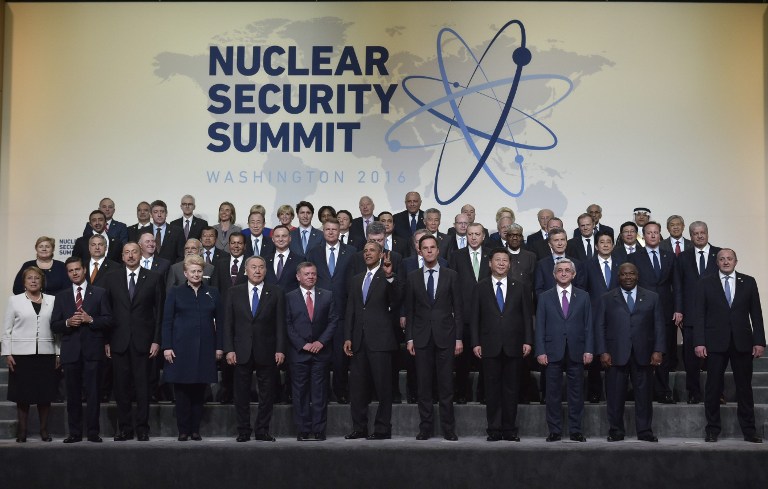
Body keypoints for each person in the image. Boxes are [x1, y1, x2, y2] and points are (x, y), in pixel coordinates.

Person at [694, 248, 765, 443]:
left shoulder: (748, 282)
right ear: (717, 262)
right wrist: (699, 341)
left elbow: (756, 314)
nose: (726, 262)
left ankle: (749, 431)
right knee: (713, 387)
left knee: (744, 388)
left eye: (729, 259)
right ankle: (712, 430)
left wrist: (759, 341)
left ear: (736, 261)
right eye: (722, 259)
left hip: (742, 342)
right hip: (715, 343)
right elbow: (699, 314)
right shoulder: (705, 283)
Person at [595, 263, 664, 442]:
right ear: (618, 276)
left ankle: (645, 431)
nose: (628, 277)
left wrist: (658, 350)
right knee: (615, 396)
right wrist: (602, 351)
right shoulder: (607, 298)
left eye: (631, 274)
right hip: (615, 354)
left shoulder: (652, 297)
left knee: (644, 396)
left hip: (644, 354)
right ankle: (616, 430)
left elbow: (659, 327)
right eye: (624, 274)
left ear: (637, 275)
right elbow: (600, 326)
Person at [102, 242, 164, 441]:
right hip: (118, 341)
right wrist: (107, 341)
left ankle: (142, 428)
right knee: (121, 388)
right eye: (126, 252)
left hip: (144, 342)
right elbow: (106, 312)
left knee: (143, 387)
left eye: (134, 252)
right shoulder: (110, 278)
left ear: (141, 254)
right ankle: (125, 428)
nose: (130, 256)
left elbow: (159, 313)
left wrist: (156, 340)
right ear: (121, 256)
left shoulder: (154, 277)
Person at [405, 234, 463, 441]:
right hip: (421, 338)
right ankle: (425, 428)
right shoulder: (412, 277)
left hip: (446, 337)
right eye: (425, 248)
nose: (429, 251)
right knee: (424, 385)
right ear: (419, 251)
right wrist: (409, 338)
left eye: (432, 247)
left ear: (438, 250)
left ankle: (449, 428)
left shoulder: (451, 275)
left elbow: (459, 309)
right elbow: (410, 311)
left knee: (446, 385)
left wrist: (458, 339)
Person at [471, 248, 533, 441]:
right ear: (490, 263)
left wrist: (528, 341)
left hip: (514, 345)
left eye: (505, 260)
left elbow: (526, 316)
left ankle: (509, 429)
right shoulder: (480, 287)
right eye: (497, 260)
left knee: (511, 389)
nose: (501, 263)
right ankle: (494, 429)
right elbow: (474, 318)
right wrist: (475, 342)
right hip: (489, 345)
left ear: (510, 264)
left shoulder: (520, 286)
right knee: (492, 390)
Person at [223, 255, 286, 442]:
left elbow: (280, 324)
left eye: (261, 267)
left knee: (267, 394)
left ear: (266, 271)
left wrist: (280, 349)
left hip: (267, 350)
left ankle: (262, 430)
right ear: (246, 270)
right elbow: (228, 324)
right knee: (241, 394)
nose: (257, 270)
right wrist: (229, 349)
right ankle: (243, 430)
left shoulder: (275, 292)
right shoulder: (234, 292)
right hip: (240, 351)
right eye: (253, 267)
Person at [162, 255, 223, 441]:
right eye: (192, 271)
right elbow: (167, 321)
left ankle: (195, 430)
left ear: (203, 273)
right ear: (185, 273)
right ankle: (183, 430)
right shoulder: (175, 291)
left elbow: (220, 322)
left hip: (205, 348)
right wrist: (167, 346)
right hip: (180, 348)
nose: (196, 274)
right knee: (181, 392)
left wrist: (219, 347)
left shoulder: (212, 292)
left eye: (199, 271)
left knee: (199, 391)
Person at [51, 257, 112, 443]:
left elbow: (109, 320)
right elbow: (54, 324)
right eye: (71, 270)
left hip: (93, 351)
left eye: (77, 269)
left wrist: (91, 320)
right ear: (67, 273)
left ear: (84, 270)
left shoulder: (100, 293)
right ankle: (75, 433)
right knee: (73, 395)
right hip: (71, 352)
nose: (75, 273)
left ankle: (93, 432)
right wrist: (68, 322)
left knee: (93, 394)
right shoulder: (61, 296)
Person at [344, 240, 400, 440]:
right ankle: (359, 428)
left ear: (381, 254)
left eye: (372, 250)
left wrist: (389, 277)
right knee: (358, 389)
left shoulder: (388, 276)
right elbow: (351, 308)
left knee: (383, 388)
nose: (367, 253)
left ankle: (382, 429)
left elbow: (396, 300)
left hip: (381, 341)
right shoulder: (356, 279)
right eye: (365, 250)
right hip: (359, 341)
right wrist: (348, 336)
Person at [535, 258, 593, 442]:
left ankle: (576, 430)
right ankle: (555, 430)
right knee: (552, 393)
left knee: (576, 393)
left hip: (577, 350)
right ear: (554, 274)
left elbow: (588, 326)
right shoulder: (545, 297)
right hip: (552, 351)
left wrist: (589, 349)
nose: (564, 273)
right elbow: (540, 327)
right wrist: (541, 351)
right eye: (560, 270)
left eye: (567, 270)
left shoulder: (583, 296)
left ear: (574, 274)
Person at [2, 267, 60, 442]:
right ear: (24, 282)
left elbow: (57, 331)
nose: (33, 281)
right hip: (21, 355)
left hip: (46, 354)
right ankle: (22, 431)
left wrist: (58, 354)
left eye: (37, 278)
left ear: (42, 282)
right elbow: (7, 330)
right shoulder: (15, 301)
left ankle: (43, 431)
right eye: (29, 278)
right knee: (23, 396)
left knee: (45, 395)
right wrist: (7, 353)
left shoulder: (52, 300)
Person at [628, 221, 682, 404]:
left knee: (663, 352)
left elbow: (677, 285)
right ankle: (642, 391)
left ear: (660, 235)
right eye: (649, 233)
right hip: (642, 311)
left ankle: (663, 390)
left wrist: (678, 309)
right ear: (643, 236)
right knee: (642, 352)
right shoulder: (635, 257)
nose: (653, 235)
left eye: (656, 232)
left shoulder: (669, 256)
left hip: (666, 310)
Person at [285, 262, 338, 441]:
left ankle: (319, 429)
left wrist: (320, 342)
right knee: (299, 394)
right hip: (299, 353)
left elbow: (333, 321)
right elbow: (288, 324)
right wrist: (302, 344)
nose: (310, 277)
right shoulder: (289, 297)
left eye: (313, 274)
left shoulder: (328, 295)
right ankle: (303, 430)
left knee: (319, 393)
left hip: (320, 353)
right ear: (298, 276)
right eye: (306, 274)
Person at [306, 218, 354, 403]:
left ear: (340, 230)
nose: (331, 232)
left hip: (343, 311)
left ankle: (341, 392)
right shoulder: (314, 252)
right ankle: (321, 394)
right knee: (321, 357)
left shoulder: (350, 251)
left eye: (335, 229)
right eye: (328, 229)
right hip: (320, 312)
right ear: (323, 231)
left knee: (341, 357)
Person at [675, 221, 721, 404]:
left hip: (716, 315)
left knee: (716, 357)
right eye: (695, 233)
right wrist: (679, 310)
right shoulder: (683, 257)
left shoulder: (720, 254)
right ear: (691, 236)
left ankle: (718, 393)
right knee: (691, 357)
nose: (700, 236)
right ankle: (693, 392)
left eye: (702, 232)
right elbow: (678, 286)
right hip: (691, 314)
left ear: (707, 234)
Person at [449, 222, 492, 404]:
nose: (473, 237)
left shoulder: (492, 255)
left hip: (487, 316)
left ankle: (484, 394)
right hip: (463, 315)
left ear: (483, 236)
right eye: (470, 234)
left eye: (477, 234)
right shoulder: (456, 256)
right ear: (465, 236)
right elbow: (452, 286)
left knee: (487, 360)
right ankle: (461, 394)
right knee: (462, 360)